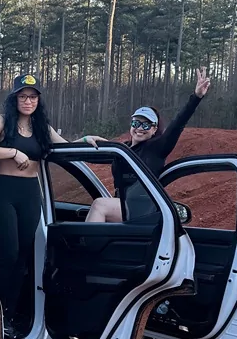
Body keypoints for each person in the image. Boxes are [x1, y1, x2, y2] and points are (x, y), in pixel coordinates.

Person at [0, 74, 67, 339]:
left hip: (29, 194)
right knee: (9, 254)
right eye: (23, 96)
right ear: (14, 98)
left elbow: (66, 147)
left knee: (24, 259)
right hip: (4, 192)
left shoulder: (41, 128)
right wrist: (12, 152)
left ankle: (10, 319)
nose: (28, 101)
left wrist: (90, 141)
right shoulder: (1, 121)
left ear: (38, 100)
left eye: (33, 96)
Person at [82, 68, 212, 223]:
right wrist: (82, 141)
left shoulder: (157, 148)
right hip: (125, 205)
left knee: (99, 205)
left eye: (146, 125)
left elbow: (178, 124)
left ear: (154, 129)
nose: (139, 128)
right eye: (136, 123)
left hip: (143, 208)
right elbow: (87, 156)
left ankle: (89, 247)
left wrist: (196, 97)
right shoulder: (123, 149)